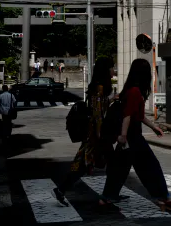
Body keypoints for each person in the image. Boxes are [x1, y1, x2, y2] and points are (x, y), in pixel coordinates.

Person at [98, 58, 171, 212]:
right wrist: (123, 136)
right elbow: (127, 115)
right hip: (133, 137)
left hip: (131, 136)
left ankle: (106, 198)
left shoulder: (130, 90)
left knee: (120, 169)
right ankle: (163, 197)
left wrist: (154, 127)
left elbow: (140, 116)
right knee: (151, 167)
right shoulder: (135, 91)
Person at [51, 57, 122, 206]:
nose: (113, 71)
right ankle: (110, 194)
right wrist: (100, 136)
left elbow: (99, 107)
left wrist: (111, 100)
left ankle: (62, 190)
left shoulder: (99, 87)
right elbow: (97, 114)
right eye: (111, 68)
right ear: (106, 70)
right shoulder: (100, 87)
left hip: (95, 135)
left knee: (84, 165)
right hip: (97, 135)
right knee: (107, 164)